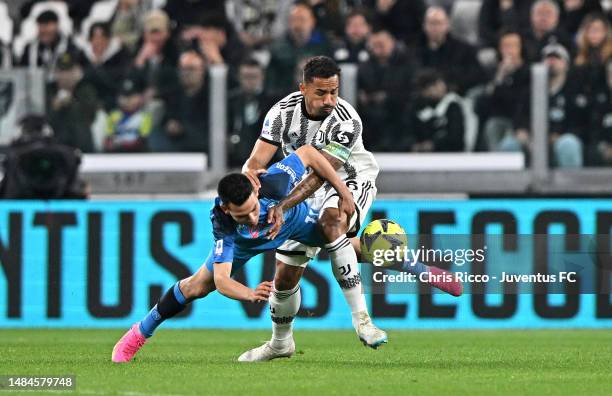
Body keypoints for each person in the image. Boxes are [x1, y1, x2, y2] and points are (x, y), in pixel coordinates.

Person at [111, 144, 356, 363]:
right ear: (227, 209)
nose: (251, 218)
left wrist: (342, 191)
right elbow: (222, 280)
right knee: (196, 287)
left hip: (293, 220)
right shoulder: (222, 223)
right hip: (244, 244)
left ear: (255, 191)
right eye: (242, 215)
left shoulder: (274, 181)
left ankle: (391, 251)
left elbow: (309, 153)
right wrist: (249, 293)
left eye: (252, 209)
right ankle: (137, 334)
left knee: (343, 241)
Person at [240, 56, 385, 360]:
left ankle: (363, 321)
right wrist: (250, 186)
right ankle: (281, 343)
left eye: (334, 91)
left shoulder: (347, 119)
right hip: (301, 187)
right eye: (321, 93)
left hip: (348, 178)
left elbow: (323, 174)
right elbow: (255, 162)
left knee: (331, 222)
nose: (329, 100)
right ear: (303, 87)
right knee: (285, 276)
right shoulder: (281, 113)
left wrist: (281, 206)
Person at [506, 44, 585, 167]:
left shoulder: (574, 92)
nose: (551, 62)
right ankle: (509, 185)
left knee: (568, 143)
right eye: (548, 58)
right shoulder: (529, 91)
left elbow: (579, 124)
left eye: (557, 58)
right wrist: (523, 133)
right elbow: (519, 119)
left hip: (560, 141)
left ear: (566, 65)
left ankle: (571, 185)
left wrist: (556, 135)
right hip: (531, 142)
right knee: (510, 144)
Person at [357, 29, 414, 151]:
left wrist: (387, 96)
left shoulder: (405, 64)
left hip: (398, 112)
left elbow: (409, 90)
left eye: (382, 44)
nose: (378, 48)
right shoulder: (365, 66)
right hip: (371, 114)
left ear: (392, 43)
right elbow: (362, 88)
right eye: (375, 45)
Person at [414, 6, 484, 95]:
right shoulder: (414, 50)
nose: (435, 28)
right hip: (421, 96)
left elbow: (477, 75)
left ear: (447, 25)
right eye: (431, 23)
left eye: (438, 23)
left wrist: (447, 86)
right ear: (424, 26)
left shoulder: (464, 49)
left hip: (454, 94)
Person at [265, 2, 331, 96]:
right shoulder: (277, 49)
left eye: (302, 20)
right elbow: (270, 85)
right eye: (293, 20)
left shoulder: (324, 46)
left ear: (312, 22)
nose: (297, 25)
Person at [150, 51, 209, 152]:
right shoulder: (172, 95)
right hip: (175, 143)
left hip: (202, 143)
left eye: (191, 69)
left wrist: (184, 129)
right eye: (183, 69)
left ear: (202, 70)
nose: (186, 73)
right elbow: (166, 120)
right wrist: (170, 125)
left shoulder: (210, 95)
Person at [46, 53, 98, 153]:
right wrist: (55, 107)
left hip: (81, 145)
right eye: (62, 71)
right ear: (56, 73)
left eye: (69, 71)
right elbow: (43, 120)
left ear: (77, 72)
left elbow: (90, 115)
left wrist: (72, 103)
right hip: (54, 146)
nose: (65, 76)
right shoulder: (48, 91)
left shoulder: (85, 90)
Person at [406, 70, 465, 152]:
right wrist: (415, 145)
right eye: (434, 86)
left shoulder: (452, 104)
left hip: (449, 154)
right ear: (424, 91)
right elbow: (409, 132)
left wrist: (434, 144)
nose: (440, 88)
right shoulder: (417, 107)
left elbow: (456, 136)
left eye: (440, 83)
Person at [18, 10, 82, 75]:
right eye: (41, 25)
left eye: (47, 25)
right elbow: (21, 70)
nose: (44, 30)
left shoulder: (69, 46)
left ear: (57, 25)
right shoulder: (30, 48)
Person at [104, 75, 151, 152]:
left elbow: (143, 140)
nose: (128, 100)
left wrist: (123, 144)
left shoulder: (144, 116)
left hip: (137, 155)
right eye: (124, 96)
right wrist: (110, 144)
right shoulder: (113, 115)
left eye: (132, 96)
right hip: (116, 155)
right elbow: (108, 138)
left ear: (140, 97)